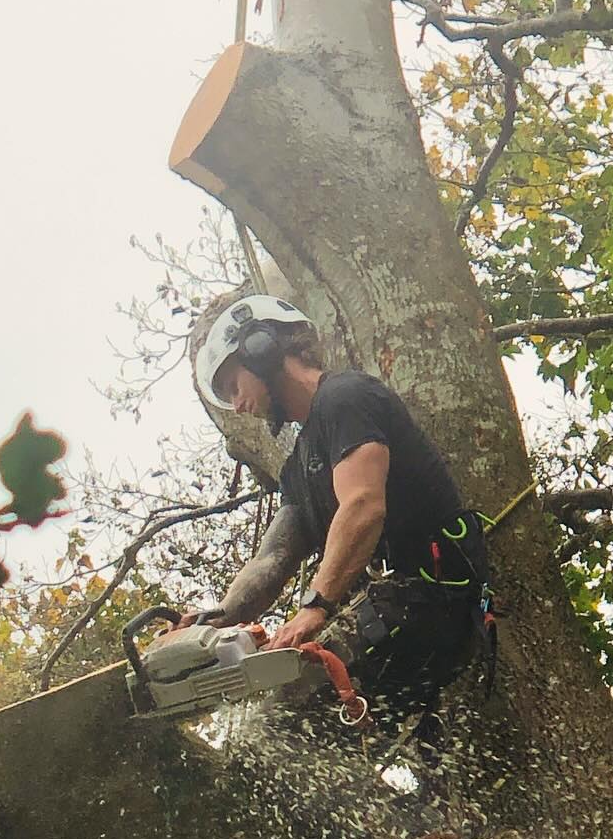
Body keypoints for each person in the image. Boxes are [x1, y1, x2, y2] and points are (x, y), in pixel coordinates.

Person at [179, 295, 492, 730]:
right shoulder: (299, 467)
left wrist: (315, 606)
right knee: (297, 715)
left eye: (235, 387)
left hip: (431, 599)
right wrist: (215, 620)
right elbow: (274, 557)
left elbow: (363, 506)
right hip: (398, 616)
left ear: (261, 349)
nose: (239, 405)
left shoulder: (346, 399)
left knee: (279, 717)